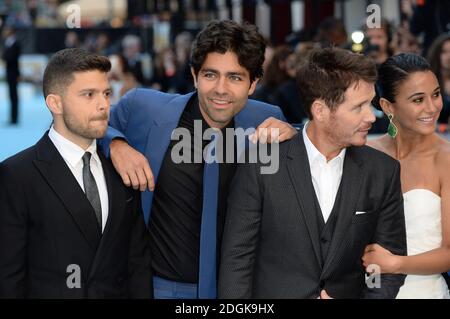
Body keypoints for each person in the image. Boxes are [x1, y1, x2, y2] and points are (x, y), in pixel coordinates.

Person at [101, 20, 296, 299]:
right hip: (157, 288)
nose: (221, 89)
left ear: (253, 83)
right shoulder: (143, 109)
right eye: (210, 75)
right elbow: (82, 128)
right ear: (194, 75)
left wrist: (294, 137)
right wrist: (116, 144)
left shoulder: (267, 119)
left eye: (235, 77)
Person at [218, 47, 407, 299]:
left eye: (370, 104)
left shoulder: (383, 171)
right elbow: (237, 259)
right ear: (320, 111)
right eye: (358, 107)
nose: (371, 117)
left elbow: (387, 265)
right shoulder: (261, 163)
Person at [0, 48, 153, 298]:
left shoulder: (123, 167)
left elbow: (137, 263)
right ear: (55, 103)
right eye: (88, 95)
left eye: (106, 93)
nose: (104, 104)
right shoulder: (16, 175)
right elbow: (8, 277)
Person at [362, 53, 450, 299]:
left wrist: (395, 264)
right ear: (388, 106)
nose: (432, 107)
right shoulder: (366, 154)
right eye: (418, 99)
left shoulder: (446, 160)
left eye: (435, 94)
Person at [2, 25, 20, 125]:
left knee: (14, 96)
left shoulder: (15, 43)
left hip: (13, 73)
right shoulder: (8, 42)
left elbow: (12, 58)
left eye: (7, 29)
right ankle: (12, 117)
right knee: (11, 96)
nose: (5, 31)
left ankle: (14, 118)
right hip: (9, 72)